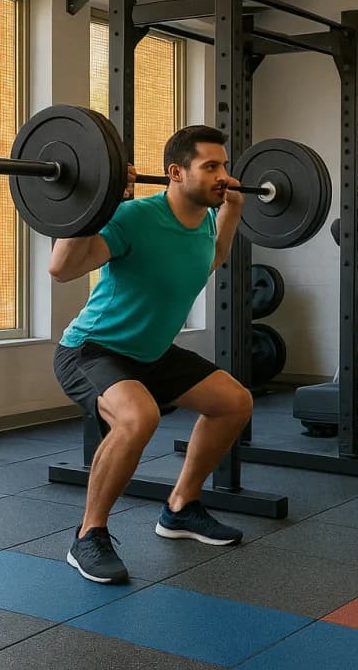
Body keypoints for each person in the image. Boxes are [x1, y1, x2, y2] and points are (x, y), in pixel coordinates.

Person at [50, 125, 252, 584]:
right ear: (176, 173)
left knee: (233, 402)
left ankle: (180, 507)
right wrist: (93, 201)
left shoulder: (203, 219)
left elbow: (213, 256)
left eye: (225, 166)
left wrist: (234, 209)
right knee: (138, 418)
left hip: (151, 352)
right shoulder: (133, 217)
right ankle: (88, 535)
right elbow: (61, 270)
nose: (224, 175)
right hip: (92, 349)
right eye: (212, 167)